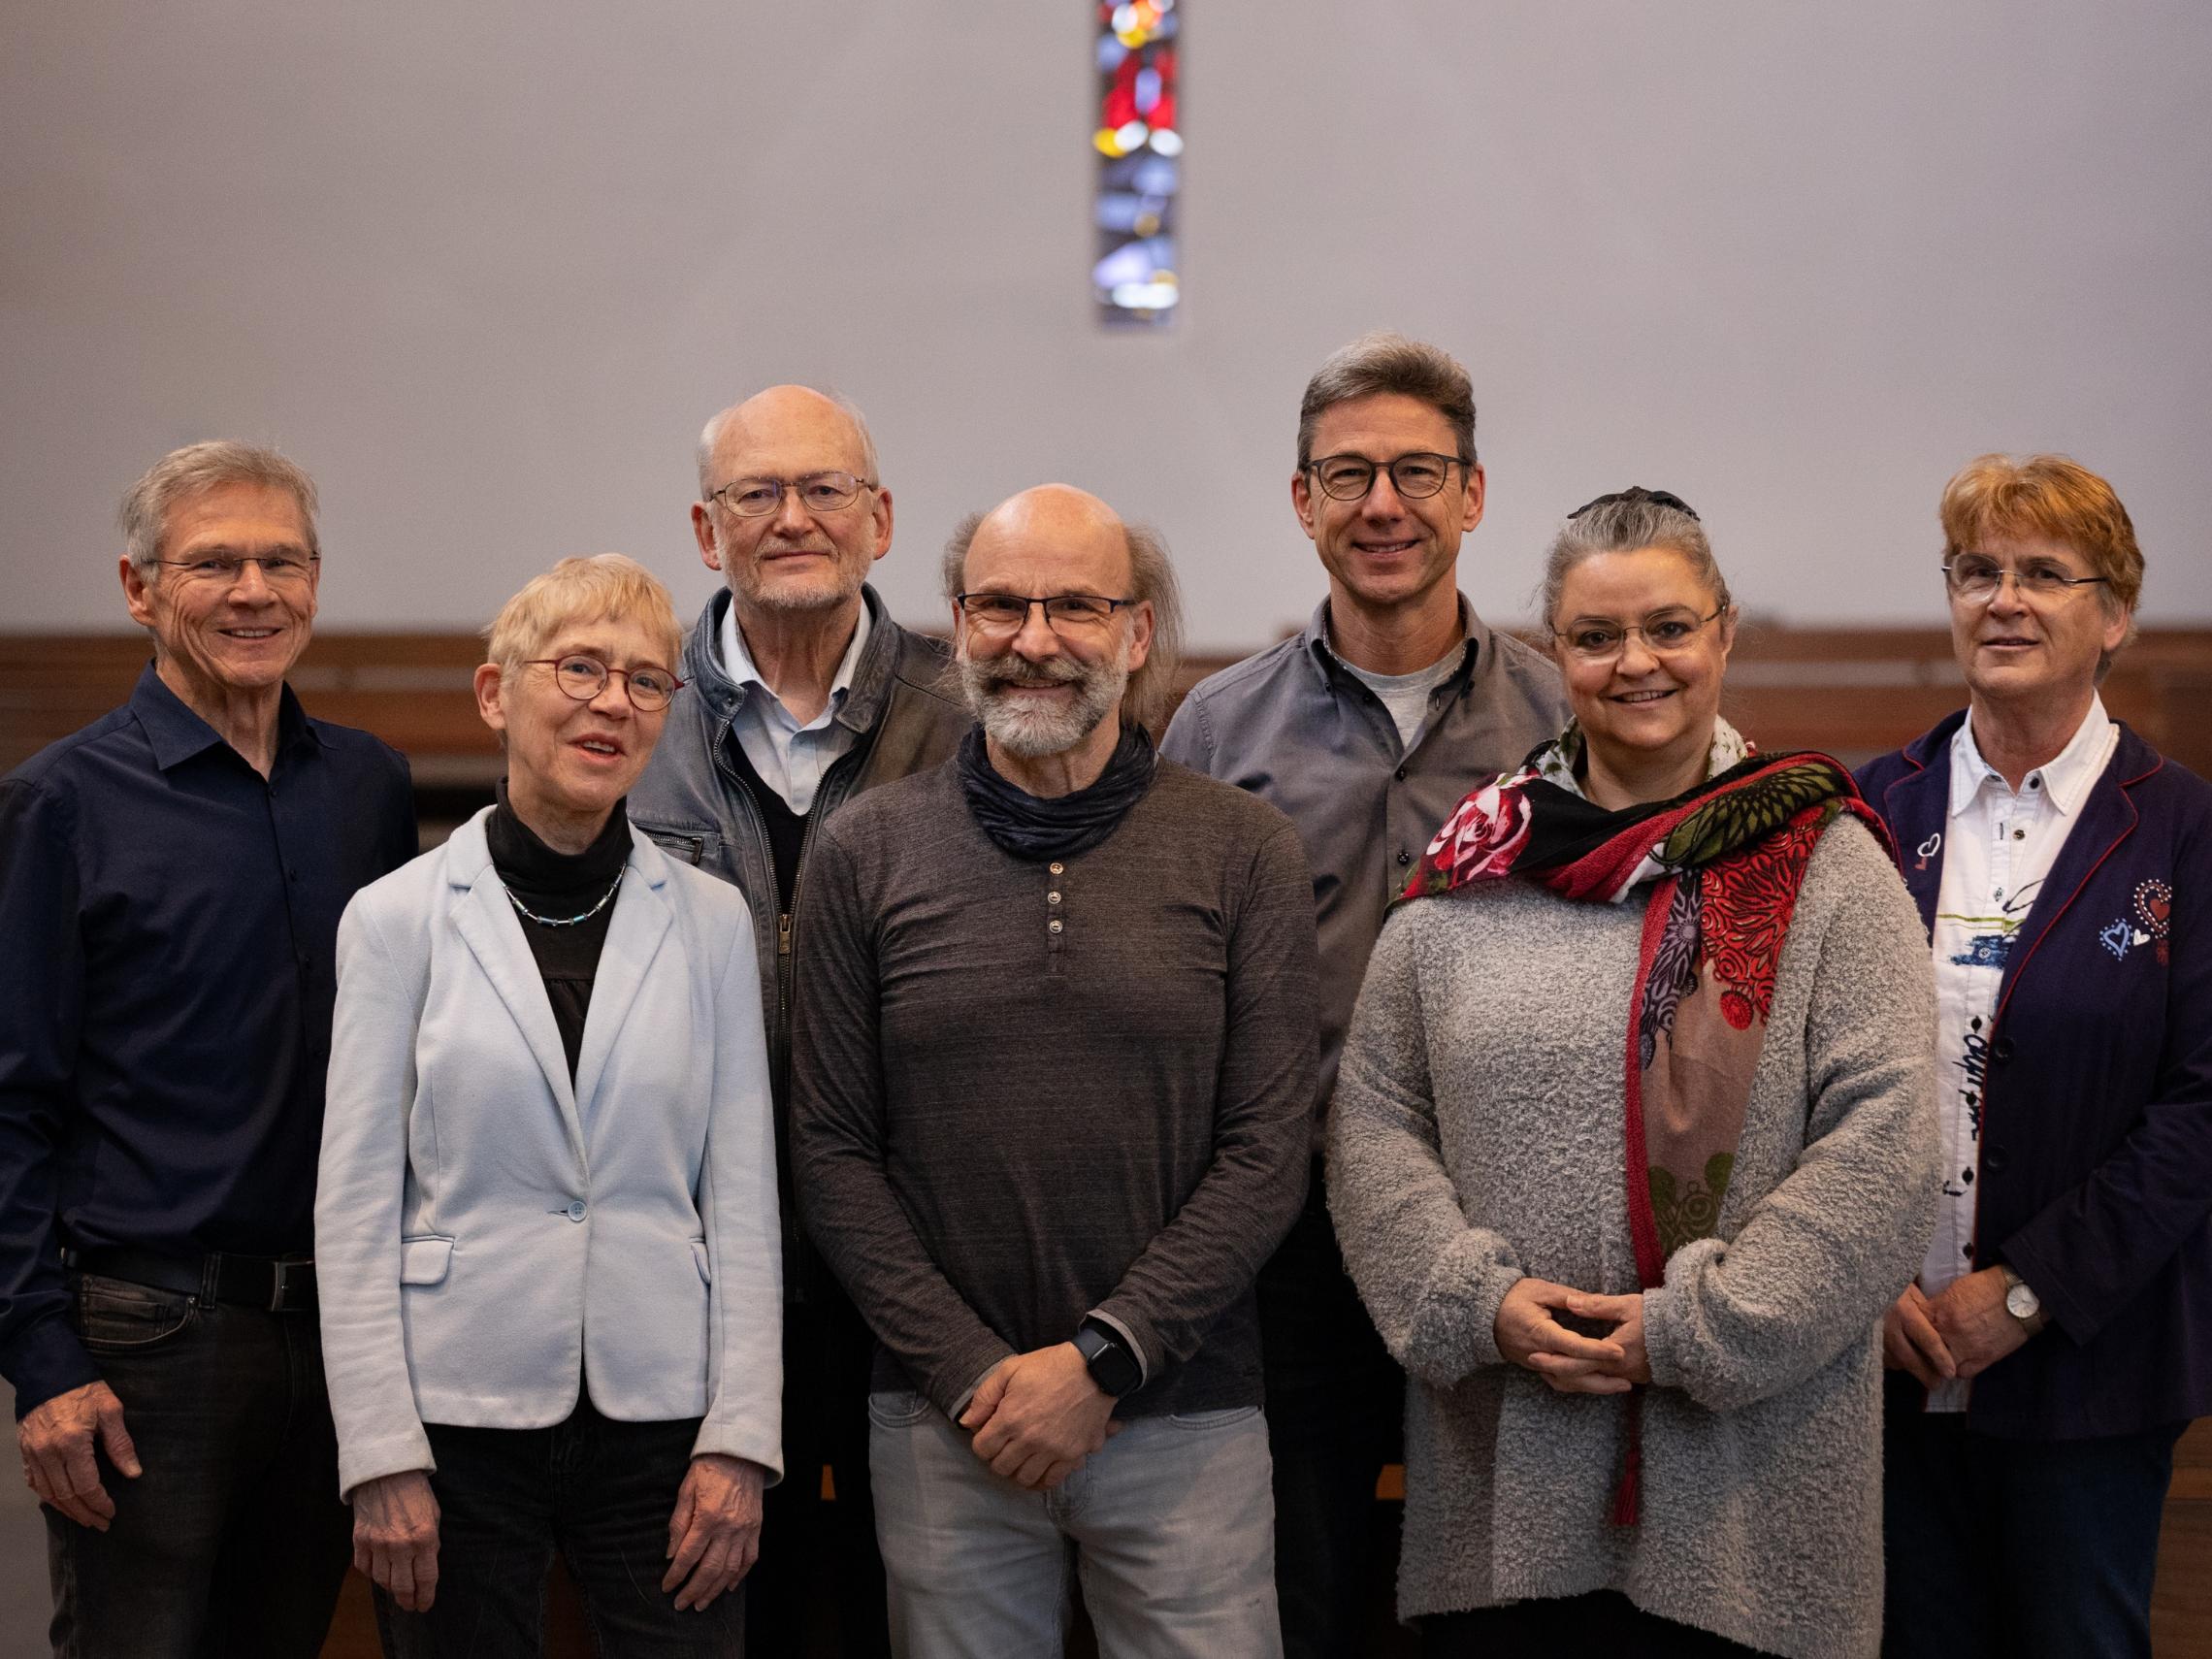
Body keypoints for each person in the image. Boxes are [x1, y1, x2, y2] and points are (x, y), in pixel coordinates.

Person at [1329, 487, 1938, 1658]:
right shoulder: (1477, 864)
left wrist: (1702, 1330)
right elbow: (1376, 1117)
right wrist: (1473, 1302)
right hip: (1506, 1472)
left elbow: (1888, 1138)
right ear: (1555, 650)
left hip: (1749, 1484)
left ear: (1724, 631)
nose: (1637, 663)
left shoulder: (1825, 862)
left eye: (1668, 627)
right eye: (1598, 636)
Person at [790, 485, 1318, 1658]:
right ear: (957, 626)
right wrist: (974, 1375)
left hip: (1186, 1416)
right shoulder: (863, 852)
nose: (1034, 640)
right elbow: (831, 1151)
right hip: (947, 1422)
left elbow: (1268, 1151)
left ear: (1137, 632)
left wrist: (1104, 1362)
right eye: (1000, 606)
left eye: (1075, 605)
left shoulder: (1244, 850)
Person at [1160, 330, 1568, 1655]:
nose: (1382, 505)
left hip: (1507, 1225)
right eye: (1347, 475)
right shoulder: (1217, 730)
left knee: (1497, 1586)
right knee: (1305, 1584)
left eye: (1415, 471)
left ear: (1472, 492)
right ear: (1303, 500)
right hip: (1290, 1236)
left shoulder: (1564, 724)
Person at [316, 555, 781, 1655]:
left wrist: (741, 1440)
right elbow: (355, 1206)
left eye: (645, 680)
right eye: (579, 669)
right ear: (495, 694)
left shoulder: (712, 920)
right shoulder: (396, 919)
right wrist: (379, 1453)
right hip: (455, 1419)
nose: (612, 702)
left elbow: (745, 1199)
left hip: (665, 1419)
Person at [0, 441, 417, 1655]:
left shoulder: (368, 787)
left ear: (316, 582)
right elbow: (11, 1099)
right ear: (139, 589)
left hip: (334, 1335)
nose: (253, 591)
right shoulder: (61, 804)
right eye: (213, 563)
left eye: (282, 561)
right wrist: (41, 1359)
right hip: (145, 1342)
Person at [630, 384, 965, 1658]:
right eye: (755, 494)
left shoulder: (966, 714)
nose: (792, 519)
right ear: (705, 531)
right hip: (697, 1271)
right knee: (722, 1614)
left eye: (825, 489)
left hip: (916, 1266)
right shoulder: (637, 713)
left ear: (880, 519)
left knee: (913, 1614)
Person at [1857, 454, 2212, 1659]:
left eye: (2045, 574)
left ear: (2116, 615)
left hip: (2090, 1367)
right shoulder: (1868, 810)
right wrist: (1861, 1281)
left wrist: (2028, 1291)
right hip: (1885, 1361)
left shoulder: (2185, 829)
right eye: (1978, 571)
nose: (2003, 599)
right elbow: (1801, 1078)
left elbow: (2201, 1110)